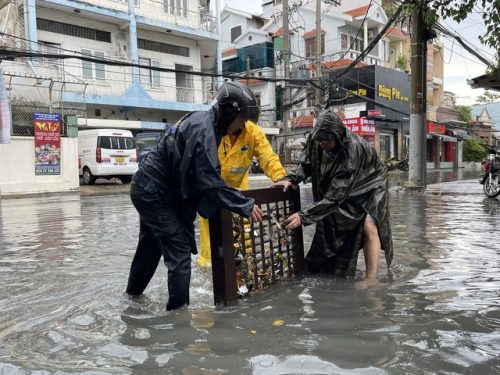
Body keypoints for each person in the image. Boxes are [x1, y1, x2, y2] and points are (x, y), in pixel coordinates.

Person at [126, 81, 264, 310]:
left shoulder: (208, 125)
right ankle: (179, 320)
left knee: (150, 249)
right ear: (229, 112)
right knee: (179, 254)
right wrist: (244, 204)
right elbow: (207, 181)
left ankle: (131, 298)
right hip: (154, 191)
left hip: (152, 189)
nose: (241, 128)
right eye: (241, 121)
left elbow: (202, 176)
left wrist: (230, 194)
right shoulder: (204, 129)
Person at [273, 108, 393, 285]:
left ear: (337, 137)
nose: (322, 145)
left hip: (373, 181)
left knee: (368, 225)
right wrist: (291, 178)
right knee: (334, 220)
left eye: (326, 141)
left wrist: (303, 216)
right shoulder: (317, 139)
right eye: (320, 140)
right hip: (350, 181)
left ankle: (371, 278)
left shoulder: (351, 152)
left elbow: (334, 199)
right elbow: (306, 164)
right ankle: (335, 265)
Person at [197, 118, 286, 267]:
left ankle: (245, 273)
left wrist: (280, 177)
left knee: (244, 247)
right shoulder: (213, 132)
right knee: (212, 253)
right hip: (214, 194)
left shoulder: (252, 132)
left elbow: (268, 157)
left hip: (241, 198)